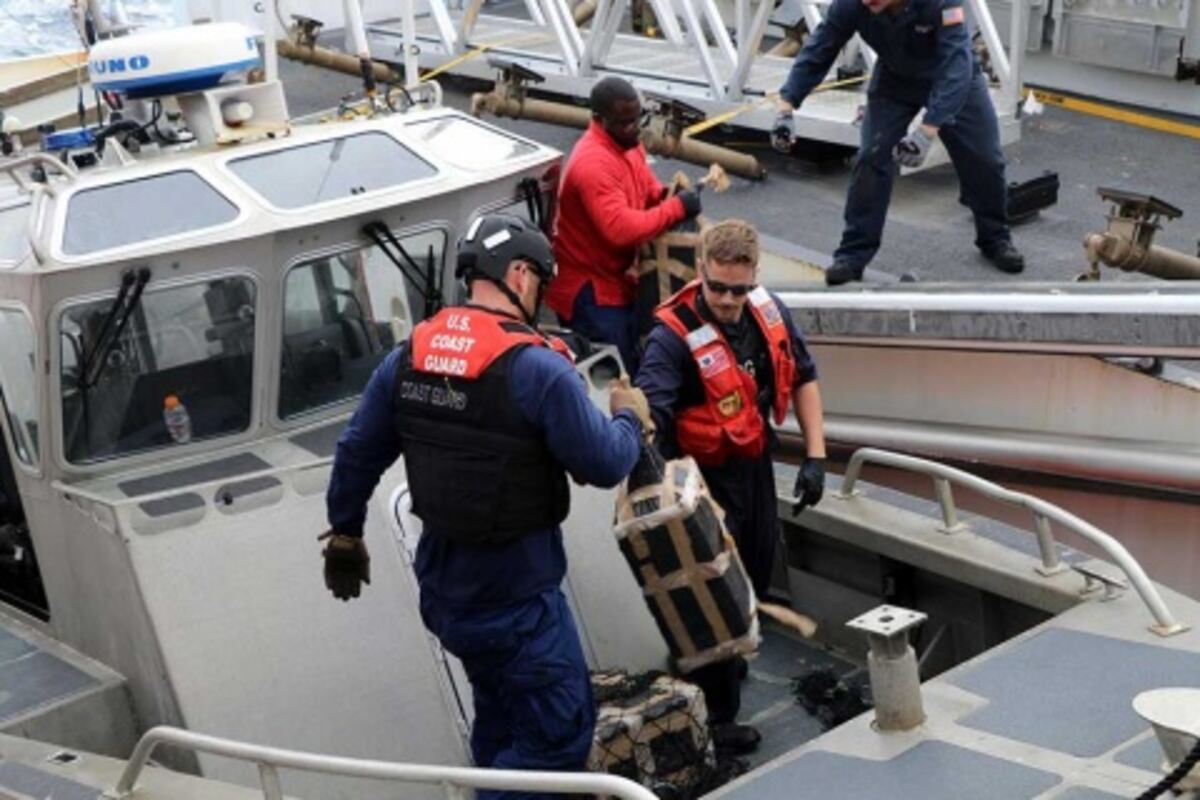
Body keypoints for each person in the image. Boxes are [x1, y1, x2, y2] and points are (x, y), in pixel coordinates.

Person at [321, 214, 653, 797]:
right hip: (518, 599)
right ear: (520, 275)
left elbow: (355, 454)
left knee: (499, 719)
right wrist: (629, 417)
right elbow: (605, 464)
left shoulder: (408, 357)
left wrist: (345, 534)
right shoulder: (538, 369)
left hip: (449, 594)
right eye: (539, 282)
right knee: (556, 739)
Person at [636, 219, 827, 753]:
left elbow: (804, 374)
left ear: (753, 279)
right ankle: (718, 719)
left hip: (754, 468)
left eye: (738, 289)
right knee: (713, 598)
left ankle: (727, 671)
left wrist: (815, 456)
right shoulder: (670, 339)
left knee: (757, 582)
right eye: (717, 287)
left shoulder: (767, 312)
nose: (726, 300)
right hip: (699, 484)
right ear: (700, 273)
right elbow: (652, 414)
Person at [772, 0, 1026, 285]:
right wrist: (786, 107)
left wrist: (926, 132)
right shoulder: (853, 3)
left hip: (954, 77)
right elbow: (821, 47)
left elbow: (956, 65)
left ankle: (994, 238)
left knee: (984, 160)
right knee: (871, 158)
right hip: (895, 80)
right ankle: (852, 255)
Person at [548, 76, 703, 372]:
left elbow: (645, 188)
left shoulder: (628, 145)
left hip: (618, 283)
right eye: (624, 123)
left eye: (637, 119)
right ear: (599, 119)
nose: (634, 129)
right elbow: (620, 229)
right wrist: (676, 208)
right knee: (614, 376)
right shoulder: (593, 163)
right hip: (591, 294)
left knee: (633, 365)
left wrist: (664, 195)